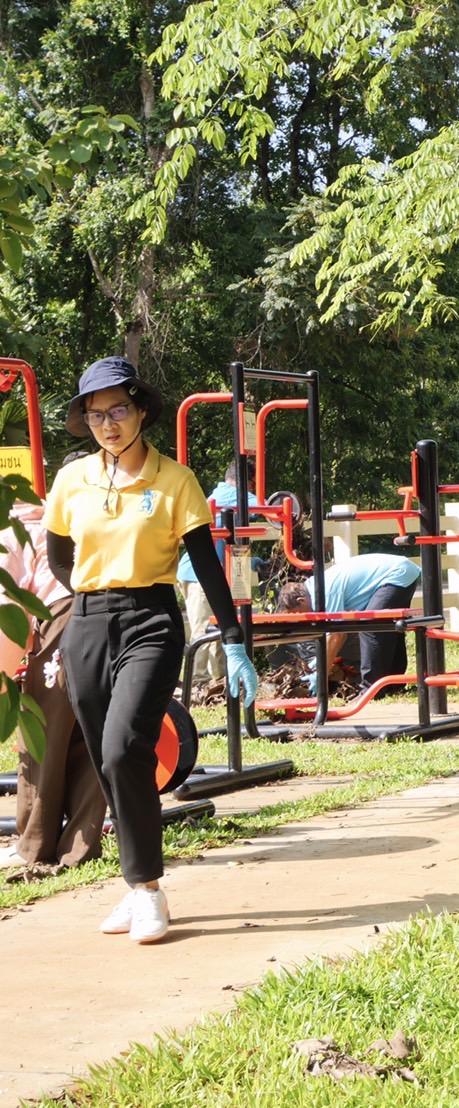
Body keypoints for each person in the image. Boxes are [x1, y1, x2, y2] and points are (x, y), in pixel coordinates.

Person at [44, 356, 259, 942]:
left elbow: (207, 565)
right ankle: (134, 883)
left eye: (117, 410)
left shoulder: (175, 480)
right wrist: (91, 599)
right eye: (95, 415)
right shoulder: (72, 479)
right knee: (105, 758)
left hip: (151, 620)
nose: (107, 424)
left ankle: (147, 890)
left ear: (140, 411)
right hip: (87, 623)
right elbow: (60, 559)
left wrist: (233, 639)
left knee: (123, 749)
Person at [0, 494, 106, 871]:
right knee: (89, 732)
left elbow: (8, 607)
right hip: (107, 610)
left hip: (61, 614)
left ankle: (33, 844)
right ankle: (79, 846)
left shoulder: (13, 530)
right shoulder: (70, 514)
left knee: (42, 731)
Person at [276, 552, 423, 695]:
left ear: (301, 601)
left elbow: (337, 635)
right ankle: (394, 686)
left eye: (298, 614)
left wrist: (320, 674)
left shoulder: (323, 593)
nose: (302, 619)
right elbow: (338, 632)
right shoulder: (316, 587)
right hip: (401, 570)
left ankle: (370, 690)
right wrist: (320, 661)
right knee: (389, 628)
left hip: (396, 573)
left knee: (370, 626)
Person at [177, 465, 258, 686]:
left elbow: (226, 543)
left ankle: (219, 680)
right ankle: (197, 684)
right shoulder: (231, 495)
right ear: (247, 481)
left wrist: (252, 562)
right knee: (202, 630)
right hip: (197, 574)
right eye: (254, 484)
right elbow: (266, 508)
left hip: (208, 573)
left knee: (220, 627)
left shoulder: (223, 496)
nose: (253, 490)